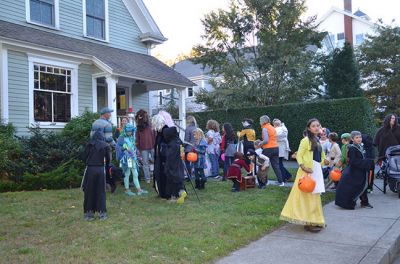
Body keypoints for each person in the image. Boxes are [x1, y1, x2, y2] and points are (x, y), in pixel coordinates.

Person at [280, 118, 326, 233]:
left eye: (318, 125)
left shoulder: (317, 139)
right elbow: (299, 155)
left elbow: (321, 154)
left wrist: (324, 161)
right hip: (307, 171)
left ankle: (316, 219)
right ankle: (308, 221)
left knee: (315, 195)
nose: (316, 127)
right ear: (309, 128)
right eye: (313, 126)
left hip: (316, 170)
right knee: (307, 196)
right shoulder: (305, 140)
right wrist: (303, 167)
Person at [152, 111, 187, 204]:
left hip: (172, 153)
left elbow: (164, 146)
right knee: (176, 172)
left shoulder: (165, 131)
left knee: (171, 173)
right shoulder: (172, 130)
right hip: (176, 152)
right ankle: (181, 192)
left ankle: (174, 195)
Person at [335, 131, 375, 210]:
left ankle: (364, 202)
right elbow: (352, 161)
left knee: (363, 186)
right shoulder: (352, 148)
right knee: (357, 187)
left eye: (360, 137)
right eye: (357, 137)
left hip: (361, 170)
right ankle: (351, 202)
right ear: (352, 139)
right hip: (354, 172)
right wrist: (366, 162)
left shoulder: (361, 146)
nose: (359, 139)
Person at [81, 131, 111, 221]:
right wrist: (106, 167)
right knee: (101, 192)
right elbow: (108, 159)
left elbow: (84, 157)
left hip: (90, 169)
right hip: (100, 169)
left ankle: (88, 214)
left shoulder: (89, 144)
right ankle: (102, 214)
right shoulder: (105, 145)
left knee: (89, 191)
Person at [117, 123, 148, 196]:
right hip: (126, 158)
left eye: (131, 131)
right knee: (127, 174)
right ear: (125, 131)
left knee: (135, 173)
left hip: (133, 158)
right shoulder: (121, 138)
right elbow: (119, 148)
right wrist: (125, 150)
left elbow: (133, 146)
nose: (130, 132)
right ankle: (127, 190)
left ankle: (139, 189)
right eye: (128, 131)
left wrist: (135, 152)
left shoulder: (131, 137)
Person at [258, 115, 284, 186]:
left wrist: (260, 143)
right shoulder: (272, 127)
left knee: (261, 164)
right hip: (276, 148)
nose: (259, 122)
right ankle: (281, 182)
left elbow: (266, 140)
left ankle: (263, 182)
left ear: (263, 121)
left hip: (268, 148)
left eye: (260, 121)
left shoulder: (264, 128)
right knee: (276, 166)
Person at [135, 109, 155, 184]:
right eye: (144, 115)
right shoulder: (139, 127)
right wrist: (138, 147)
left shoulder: (151, 125)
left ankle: (156, 176)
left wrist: (156, 144)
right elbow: (137, 138)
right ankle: (148, 179)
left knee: (155, 160)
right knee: (145, 163)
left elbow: (155, 134)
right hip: (143, 148)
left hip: (153, 145)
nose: (146, 116)